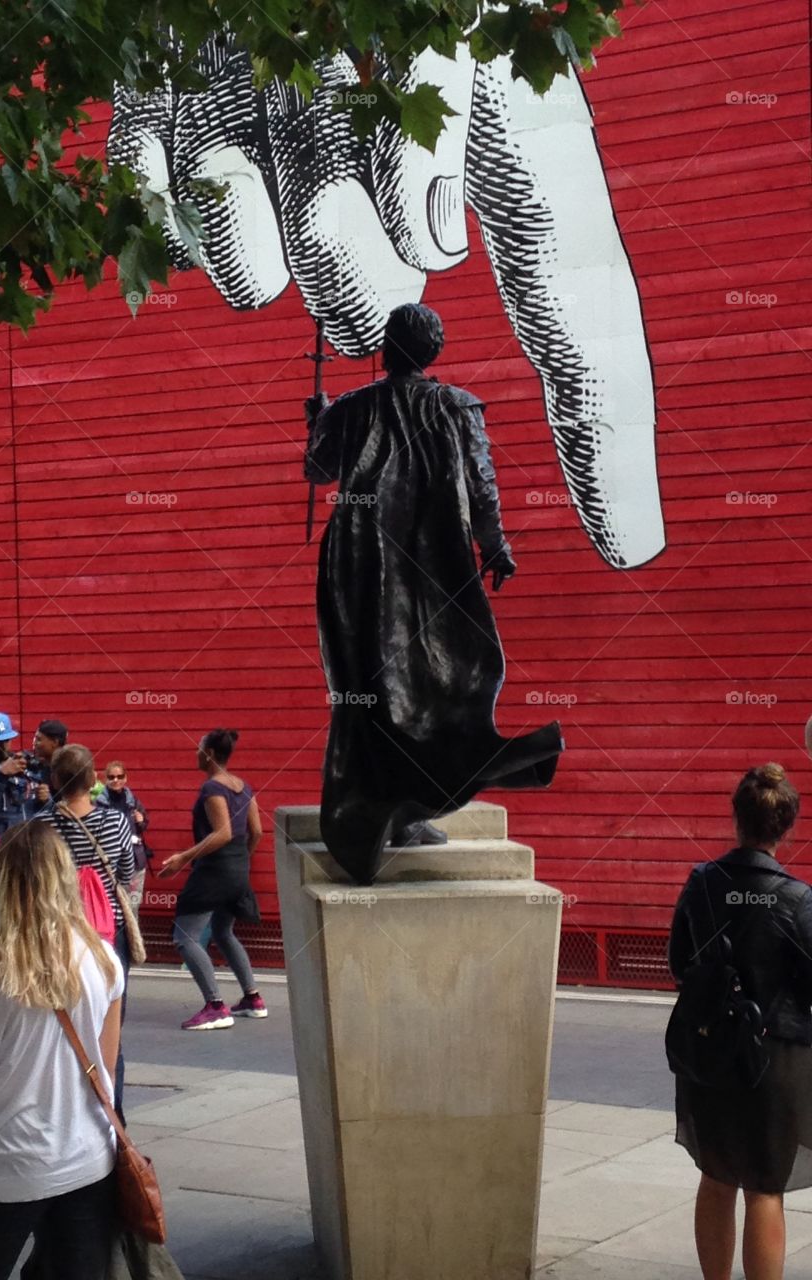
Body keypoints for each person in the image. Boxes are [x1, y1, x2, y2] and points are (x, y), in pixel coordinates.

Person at [305, 302, 563, 883]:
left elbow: (318, 469)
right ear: (431, 354)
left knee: (371, 683)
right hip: (431, 557)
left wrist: (318, 421)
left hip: (359, 559)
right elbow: (482, 479)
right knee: (433, 681)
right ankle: (402, 806)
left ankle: (395, 805)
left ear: (386, 349)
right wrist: (495, 546)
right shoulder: (456, 405)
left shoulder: (353, 406)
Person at [0, 822, 123, 1280]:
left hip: (10, 1162)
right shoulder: (102, 957)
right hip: (88, 1158)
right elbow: (105, 1067)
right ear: (63, 877)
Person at [669, 763, 812, 1280]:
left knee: (716, 1175)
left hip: (708, 1052)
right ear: (787, 827)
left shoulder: (703, 883)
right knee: (764, 1187)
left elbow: (679, 962)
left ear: (737, 819)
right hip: (773, 1063)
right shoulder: (798, 900)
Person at [38, 745, 134, 1112]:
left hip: (60, 937)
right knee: (111, 1030)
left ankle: (68, 1110)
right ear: (93, 780)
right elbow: (125, 875)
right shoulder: (116, 822)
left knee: (63, 1026)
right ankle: (113, 1115)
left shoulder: (43, 826)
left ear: (56, 780)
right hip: (109, 936)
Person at [158, 729, 265, 1030]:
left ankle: (216, 1006)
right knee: (222, 931)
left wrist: (183, 858)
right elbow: (256, 832)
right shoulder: (244, 788)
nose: (195, 753)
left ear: (210, 754)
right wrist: (240, 860)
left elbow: (223, 833)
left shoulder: (212, 789)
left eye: (199, 748)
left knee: (185, 936)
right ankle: (253, 999)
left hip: (213, 873)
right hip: (237, 871)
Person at [96, 761, 151, 915]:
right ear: (105, 779)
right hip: (111, 862)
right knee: (113, 907)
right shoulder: (99, 804)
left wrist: (141, 821)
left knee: (133, 905)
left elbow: (144, 825)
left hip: (135, 860)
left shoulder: (133, 800)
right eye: (111, 777)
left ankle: (132, 938)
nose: (116, 780)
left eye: (120, 776)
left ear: (125, 778)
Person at [25, 719, 68, 816]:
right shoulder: (39, 765)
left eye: (39, 739)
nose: (35, 743)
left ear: (54, 743)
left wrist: (47, 801)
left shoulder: (67, 771)